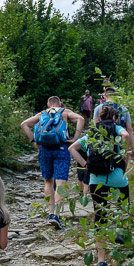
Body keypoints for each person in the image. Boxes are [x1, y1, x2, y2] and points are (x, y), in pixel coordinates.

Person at [69, 104, 134, 266]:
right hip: (117, 177)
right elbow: (126, 134)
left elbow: (72, 148)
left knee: (100, 217)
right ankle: (120, 232)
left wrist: (85, 165)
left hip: (96, 179)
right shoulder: (116, 127)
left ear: (98, 118)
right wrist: (127, 153)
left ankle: (101, 261)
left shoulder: (92, 132)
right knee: (124, 207)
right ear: (114, 118)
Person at [20, 96, 86, 229]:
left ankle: (50, 213)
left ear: (48, 104)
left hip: (44, 149)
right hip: (61, 148)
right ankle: (56, 214)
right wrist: (75, 138)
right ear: (60, 104)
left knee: (48, 181)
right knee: (60, 181)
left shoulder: (42, 114)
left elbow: (24, 124)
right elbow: (81, 118)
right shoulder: (65, 112)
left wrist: (34, 141)